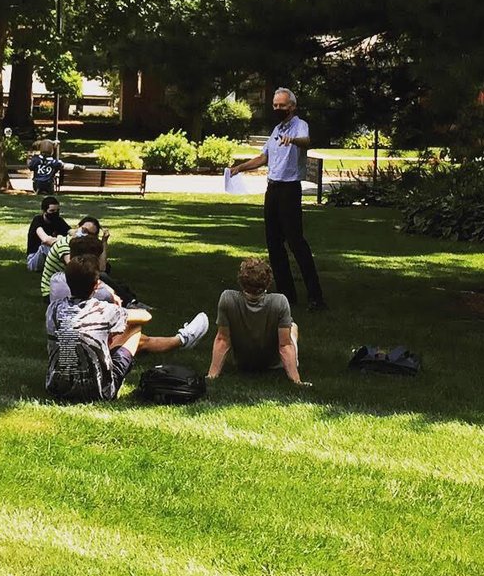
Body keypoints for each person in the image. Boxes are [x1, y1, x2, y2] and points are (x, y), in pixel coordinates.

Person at [45, 253, 209, 402]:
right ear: (96, 286)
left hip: (57, 387)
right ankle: (182, 339)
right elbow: (145, 316)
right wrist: (116, 303)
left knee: (84, 337)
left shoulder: (53, 308)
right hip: (99, 391)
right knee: (134, 327)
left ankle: (181, 340)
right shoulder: (104, 310)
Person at [226, 87, 327, 311]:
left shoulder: (299, 125)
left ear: (292, 106)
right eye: (275, 105)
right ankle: (286, 295)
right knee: (273, 244)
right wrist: (239, 168)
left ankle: (316, 297)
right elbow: (263, 157)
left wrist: (294, 140)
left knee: (296, 243)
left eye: (282, 105)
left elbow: (306, 141)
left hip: (289, 190)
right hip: (272, 190)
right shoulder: (276, 129)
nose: (278, 108)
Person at [207, 256, 310, 386]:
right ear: (268, 281)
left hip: (242, 363)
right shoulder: (279, 302)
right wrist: (296, 380)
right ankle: (294, 363)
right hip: (274, 364)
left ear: (241, 280)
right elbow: (285, 345)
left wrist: (211, 376)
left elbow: (222, 340)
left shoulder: (227, 299)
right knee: (293, 326)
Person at [40, 215, 110, 299]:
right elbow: (76, 271)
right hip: (54, 290)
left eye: (90, 234)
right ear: (78, 227)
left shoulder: (82, 246)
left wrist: (104, 242)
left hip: (71, 286)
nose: (85, 235)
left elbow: (102, 267)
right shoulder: (65, 245)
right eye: (84, 230)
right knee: (103, 287)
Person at [26, 196, 70, 274]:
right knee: (45, 246)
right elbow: (45, 240)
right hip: (34, 259)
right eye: (52, 211)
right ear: (44, 211)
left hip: (50, 259)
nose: (55, 213)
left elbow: (70, 231)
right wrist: (61, 240)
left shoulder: (58, 221)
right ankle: (71, 267)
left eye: (57, 210)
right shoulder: (38, 220)